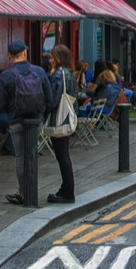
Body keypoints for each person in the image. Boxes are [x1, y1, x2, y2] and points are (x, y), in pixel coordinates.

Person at [0, 40, 54, 206]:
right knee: (33, 154)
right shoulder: (40, 72)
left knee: (20, 156)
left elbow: (0, 104)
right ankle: (32, 192)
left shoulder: (6, 75)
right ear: (25, 53)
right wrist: (41, 116)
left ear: (9, 56)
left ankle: (23, 191)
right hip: (36, 120)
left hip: (16, 120)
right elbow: (49, 99)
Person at [46, 44, 77, 204]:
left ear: (58, 59)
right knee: (64, 155)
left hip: (59, 118)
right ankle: (66, 189)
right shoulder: (69, 73)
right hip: (66, 116)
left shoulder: (58, 74)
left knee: (62, 156)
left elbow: (53, 99)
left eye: (51, 57)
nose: (49, 60)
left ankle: (67, 192)